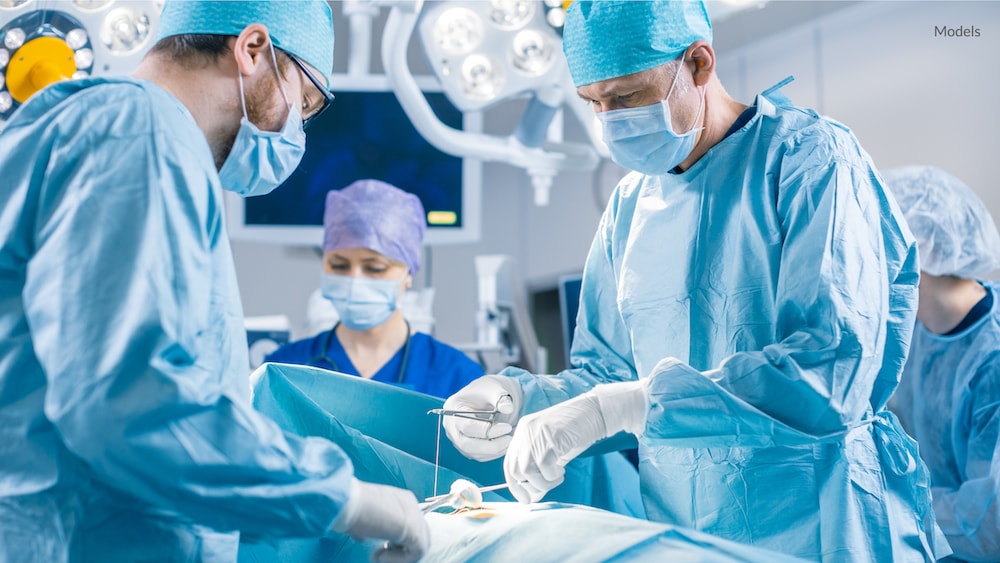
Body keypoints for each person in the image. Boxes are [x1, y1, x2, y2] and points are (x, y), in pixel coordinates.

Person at [441, 1, 947, 560]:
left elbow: (830, 371)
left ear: (700, 64)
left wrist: (628, 406)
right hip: (688, 536)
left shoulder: (810, 161)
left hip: (820, 523)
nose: (609, 119)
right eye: (594, 103)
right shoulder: (630, 207)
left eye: (627, 96)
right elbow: (607, 375)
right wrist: (520, 400)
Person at [0, 2, 428, 562]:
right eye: (305, 101)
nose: (298, 124)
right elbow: (132, 404)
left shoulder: (112, 134)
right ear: (253, 50)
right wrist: (345, 500)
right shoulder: (140, 132)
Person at [265, 179, 484, 398]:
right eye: (339, 265)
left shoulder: (458, 376)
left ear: (408, 273)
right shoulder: (284, 368)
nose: (354, 280)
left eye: (375, 268)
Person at [884, 166, 1000, 562]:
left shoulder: (992, 357)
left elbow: (988, 524)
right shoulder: (914, 328)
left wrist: (892, 504)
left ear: (917, 252)